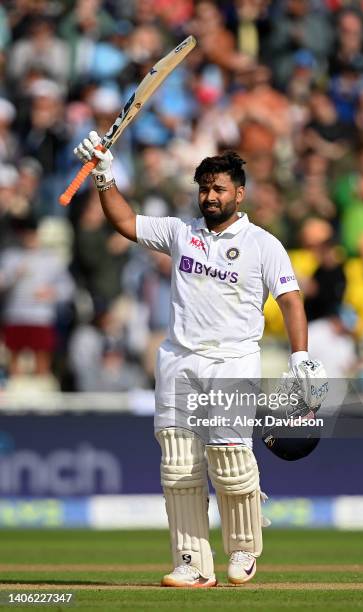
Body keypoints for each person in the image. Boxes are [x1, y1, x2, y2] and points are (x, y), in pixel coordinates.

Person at [74, 131, 327, 587]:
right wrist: (104, 174)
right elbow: (127, 223)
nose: (210, 196)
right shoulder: (180, 232)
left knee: (229, 460)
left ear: (239, 193)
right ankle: (191, 561)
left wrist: (301, 356)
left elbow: (290, 300)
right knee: (178, 463)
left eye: (219, 189)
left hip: (232, 360)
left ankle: (245, 549)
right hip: (177, 359)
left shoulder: (262, 243)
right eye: (205, 188)